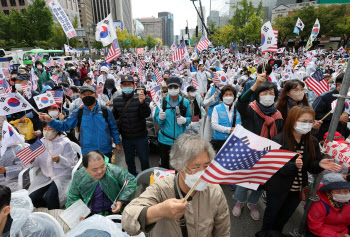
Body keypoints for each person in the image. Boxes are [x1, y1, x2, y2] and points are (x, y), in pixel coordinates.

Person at [121, 133, 230, 237]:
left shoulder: (214, 191)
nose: (202, 173)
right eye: (195, 167)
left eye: (206, 166)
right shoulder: (161, 188)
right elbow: (128, 220)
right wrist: (160, 210)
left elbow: (222, 231)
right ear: (179, 166)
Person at [260, 106, 341, 234]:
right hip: (278, 188)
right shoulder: (279, 140)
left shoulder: (312, 141)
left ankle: (276, 234)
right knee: (271, 215)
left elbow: (310, 167)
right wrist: (293, 165)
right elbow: (274, 167)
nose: (307, 125)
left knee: (284, 217)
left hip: (297, 191)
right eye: (304, 121)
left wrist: (320, 164)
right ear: (293, 120)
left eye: (310, 122)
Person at [233, 72, 284, 221]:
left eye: (271, 93)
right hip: (248, 153)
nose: (268, 96)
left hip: (267, 155)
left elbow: (280, 135)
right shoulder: (250, 110)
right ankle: (239, 201)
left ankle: (253, 203)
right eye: (264, 93)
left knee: (261, 182)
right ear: (257, 95)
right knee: (244, 180)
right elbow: (240, 103)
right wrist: (255, 84)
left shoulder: (278, 115)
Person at [39, 85, 122, 160]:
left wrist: (117, 142)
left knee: (106, 173)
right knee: (91, 175)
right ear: (80, 96)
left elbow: (113, 127)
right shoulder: (79, 112)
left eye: (90, 94)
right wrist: (50, 120)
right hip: (88, 151)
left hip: (105, 149)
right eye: (85, 95)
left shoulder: (105, 110)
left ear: (95, 95)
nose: (87, 96)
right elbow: (64, 125)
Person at [66, 150, 137, 216]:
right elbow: (73, 197)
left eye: (102, 166)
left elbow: (131, 182)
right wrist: (78, 214)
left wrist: (121, 201)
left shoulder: (113, 171)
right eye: (95, 169)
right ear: (86, 169)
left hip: (113, 211)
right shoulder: (79, 176)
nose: (100, 171)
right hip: (90, 214)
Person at [28, 123, 78, 209]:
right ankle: (44, 211)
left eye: (50, 129)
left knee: (50, 197)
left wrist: (59, 159)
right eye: (45, 128)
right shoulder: (40, 142)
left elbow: (71, 163)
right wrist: (32, 160)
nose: (47, 131)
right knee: (32, 196)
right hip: (45, 175)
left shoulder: (65, 142)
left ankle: (55, 214)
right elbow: (37, 163)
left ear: (56, 130)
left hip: (62, 175)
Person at [112, 75, 151, 177]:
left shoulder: (142, 97)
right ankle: (133, 178)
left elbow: (147, 114)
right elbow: (114, 120)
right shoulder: (116, 101)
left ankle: (146, 179)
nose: (127, 86)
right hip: (126, 138)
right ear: (121, 86)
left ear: (134, 86)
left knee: (144, 159)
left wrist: (142, 103)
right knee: (129, 161)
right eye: (124, 85)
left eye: (129, 84)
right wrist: (116, 140)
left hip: (141, 137)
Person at [154, 76, 192, 169]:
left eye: (175, 87)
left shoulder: (185, 102)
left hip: (180, 141)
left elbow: (189, 118)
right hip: (164, 140)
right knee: (164, 165)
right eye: (171, 87)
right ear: (167, 88)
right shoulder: (162, 102)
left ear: (180, 87)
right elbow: (157, 119)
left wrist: (185, 120)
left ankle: (177, 182)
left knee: (179, 166)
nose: (173, 89)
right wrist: (160, 118)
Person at [307, 173, 350, 237]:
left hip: (344, 231)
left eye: (345, 191)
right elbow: (316, 228)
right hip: (323, 234)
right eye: (338, 191)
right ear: (327, 192)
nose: (343, 194)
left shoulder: (348, 202)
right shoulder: (319, 205)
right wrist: (338, 235)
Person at [313, 73, 349, 141]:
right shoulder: (324, 97)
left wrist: (343, 134)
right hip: (323, 136)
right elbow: (315, 115)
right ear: (338, 85)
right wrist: (336, 117)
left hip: (339, 136)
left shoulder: (347, 98)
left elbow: (344, 117)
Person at [211, 85, 238, 152]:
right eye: (226, 95)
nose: (228, 97)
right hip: (220, 141)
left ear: (234, 96)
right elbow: (214, 125)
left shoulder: (238, 108)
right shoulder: (217, 108)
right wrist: (229, 130)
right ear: (222, 96)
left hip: (234, 141)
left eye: (230, 94)